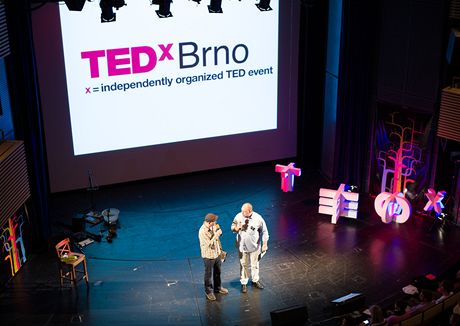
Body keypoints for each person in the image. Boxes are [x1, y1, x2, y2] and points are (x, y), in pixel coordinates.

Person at [231, 202, 269, 293]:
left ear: (250, 211)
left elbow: (264, 231)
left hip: (254, 247)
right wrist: (237, 228)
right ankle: (244, 283)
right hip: (242, 247)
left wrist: (265, 244)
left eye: (245, 212)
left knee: (255, 265)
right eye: (242, 211)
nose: (243, 213)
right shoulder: (238, 216)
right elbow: (232, 227)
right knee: (243, 264)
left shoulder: (258, 218)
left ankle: (255, 280)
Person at [198, 213, 229, 301]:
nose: (216, 222)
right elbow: (208, 244)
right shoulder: (202, 231)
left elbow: (219, 231)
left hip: (217, 253)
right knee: (208, 275)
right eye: (214, 221)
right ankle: (208, 292)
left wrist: (219, 232)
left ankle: (218, 288)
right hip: (208, 256)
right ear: (210, 222)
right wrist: (216, 235)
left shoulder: (213, 225)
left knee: (218, 272)